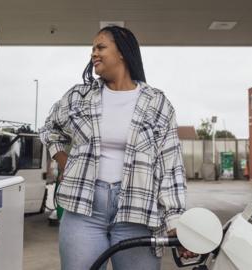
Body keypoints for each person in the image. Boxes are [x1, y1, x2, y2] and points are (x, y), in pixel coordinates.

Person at [39, 26, 193, 270]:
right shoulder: (79, 96)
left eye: (100, 47)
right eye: (92, 49)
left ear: (122, 52)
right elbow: (49, 129)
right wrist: (65, 161)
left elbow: (171, 166)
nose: (94, 54)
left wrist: (175, 220)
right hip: (83, 210)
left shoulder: (157, 103)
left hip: (138, 212)